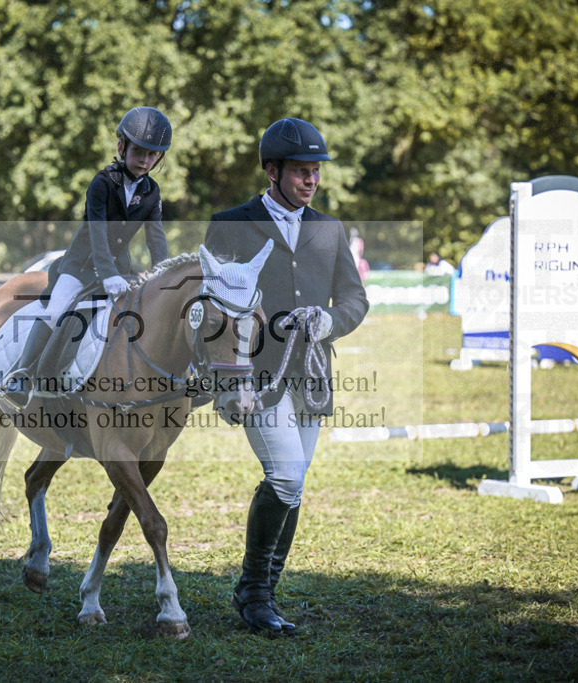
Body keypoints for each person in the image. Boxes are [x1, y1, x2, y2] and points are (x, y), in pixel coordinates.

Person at [204, 118, 369, 636]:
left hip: (311, 375)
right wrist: (230, 379)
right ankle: (254, 593)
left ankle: (260, 592)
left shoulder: (329, 228)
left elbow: (354, 298)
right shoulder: (231, 223)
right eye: (301, 171)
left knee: (293, 485)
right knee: (287, 476)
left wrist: (330, 321)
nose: (312, 180)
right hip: (255, 375)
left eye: (316, 171)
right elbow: (212, 307)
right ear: (272, 170)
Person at [1, 107, 172, 407]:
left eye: (152, 155)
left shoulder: (152, 192)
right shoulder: (102, 183)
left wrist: (163, 275)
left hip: (121, 270)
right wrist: (108, 275)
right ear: (122, 147)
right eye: (140, 152)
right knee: (56, 311)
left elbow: (156, 238)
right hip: (80, 267)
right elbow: (97, 232)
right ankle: (22, 374)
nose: (146, 160)